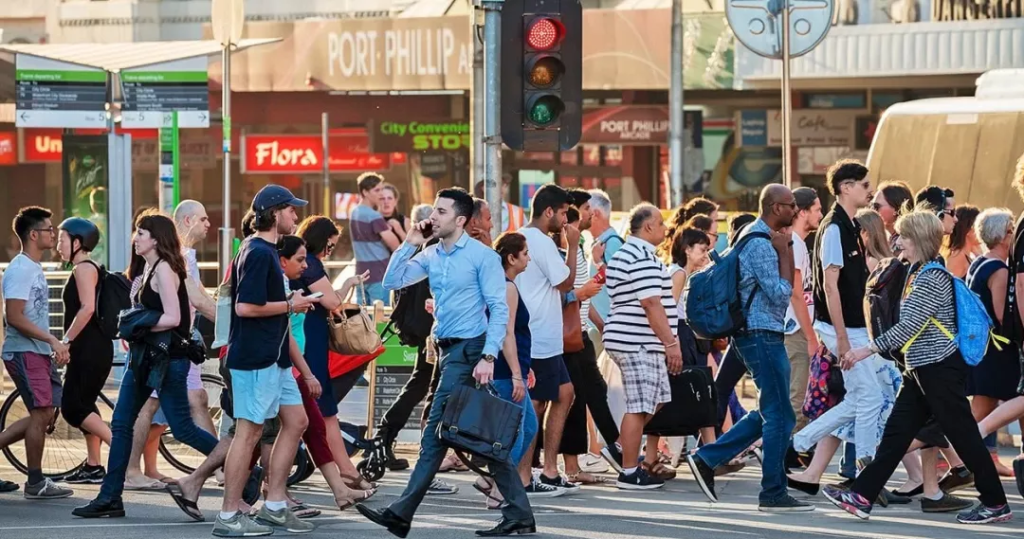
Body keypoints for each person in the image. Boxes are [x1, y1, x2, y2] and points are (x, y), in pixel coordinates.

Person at [357, 187, 535, 538]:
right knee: (471, 433)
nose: (432, 217)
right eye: (434, 211)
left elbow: (499, 310)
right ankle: (519, 513)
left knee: (437, 432)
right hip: (445, 352)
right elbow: (393, 280)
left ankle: (401, 512)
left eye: (441, 211)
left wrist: (488, 355)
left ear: (460, 220)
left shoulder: (483, 258)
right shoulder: (432, 254)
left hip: (470, 352)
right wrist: (408, 241)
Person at [824, 211, 1011, 525]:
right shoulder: (918, 271)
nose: (898, 241)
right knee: (897, 434)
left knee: (963, 435)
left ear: (921, 239)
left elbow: (910, 326)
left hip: (939, 367)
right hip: (923, 367)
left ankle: (995, 502)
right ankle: (862, 495)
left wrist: (864, 351)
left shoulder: (931, 277)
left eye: (904, 236)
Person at [73, 211, 221, 519]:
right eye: (136, 232)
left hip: (167, 360)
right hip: (147, 357)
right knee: (122, 423)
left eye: (141, 233)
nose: (135, 237)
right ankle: (110, 496)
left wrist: (138, 323)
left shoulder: (166, 269)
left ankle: (243, 471)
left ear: (156, 239)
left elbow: (174, 318)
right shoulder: (149, 267)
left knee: (183, 429)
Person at [209, 185, 322, 536]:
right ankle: (228, 516)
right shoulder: (258, 252)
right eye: (291, 210)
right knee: (249, 432)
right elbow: (245, 307)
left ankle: (275, 505)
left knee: (297, 420)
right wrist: (292, 305)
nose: (296, 216)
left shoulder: (264, 250)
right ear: (274, 213)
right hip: (256, 358)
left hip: (272, 358)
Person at [686, 184, 805, 511]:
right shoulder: (762, 244)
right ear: (774, 207)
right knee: (780, 414)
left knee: (775, 411)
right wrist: (786, 251)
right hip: (761, 334)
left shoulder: (752, 235)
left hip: (754, 333)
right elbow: (781, 294)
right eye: (790, 204)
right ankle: (772, 492)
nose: (795, 210)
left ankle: (708, 458)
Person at [791, 160, 892, 475]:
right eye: (864, 185)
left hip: (852, 327)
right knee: (871, 398)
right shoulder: (834, 226)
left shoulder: (848, 224)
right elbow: (830, 287)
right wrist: (844, 339)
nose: (870, 190)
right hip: (843, 328)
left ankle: (798, 443)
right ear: (846, 187)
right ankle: (865, 470)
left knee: (858, 399)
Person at [123, 200, 218, 490]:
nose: (208, 225)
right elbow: (197, 301)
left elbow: (199, 297)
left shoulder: (184, 256)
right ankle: (130, 471)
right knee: (150, 406)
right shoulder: (179, 258)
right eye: (203, 219)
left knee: (196, 400)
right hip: (165, 346)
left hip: (180, 344)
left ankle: (221, 466)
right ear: (187, 221)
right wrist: (233, 325)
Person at [278, 234, 377, 512]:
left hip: (298, 356)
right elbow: (332, 303)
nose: (304, 266)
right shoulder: (303, 269)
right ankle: (268, 491)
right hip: (293, 358)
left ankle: (339, 487)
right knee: (268, 431)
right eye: (329, 243)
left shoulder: (292, 278)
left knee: (309, 424)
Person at [602, 203, 680, 491]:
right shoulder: (640, 256)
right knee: (639, 406)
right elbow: (651, 303)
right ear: (647, 227)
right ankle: (629, 471)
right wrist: (671, 343)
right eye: (660, 223)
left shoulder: (632, 254)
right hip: (637, 342)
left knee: (657, 398)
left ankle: (623, 448)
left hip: (640, 340)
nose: (665, 228)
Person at [0, 206, 73, 499]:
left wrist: (50, 345)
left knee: (44, 414)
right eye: (49, 229)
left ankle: (36, 480)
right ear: (33, 234)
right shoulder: (19, 269)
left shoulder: (33, 267)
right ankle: (35, 482)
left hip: (38, 351)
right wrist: (52, 341)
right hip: (24, 351)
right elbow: (14, 317)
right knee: (41, 412)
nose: (54, 234)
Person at [515, 184, 580, 494]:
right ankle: (525, 477)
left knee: (565, 394)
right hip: (538, 336)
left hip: (544, 337)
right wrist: (573, 246)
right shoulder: (539, 240)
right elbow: (566, 282)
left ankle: (550, 471)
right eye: (564, 212)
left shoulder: (529, 238)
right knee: (536, 404)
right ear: (549, 211)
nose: (567, 219)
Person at [474, 231, 541, 509]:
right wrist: (517, 373)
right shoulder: (507, 287)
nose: (528, 259)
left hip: (509, 366)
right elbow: (507, 333)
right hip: (504, 369)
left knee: (525, 426)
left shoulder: (501, 284)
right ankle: (500, 487)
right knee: (518, 430)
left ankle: (492, 481)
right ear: (511, 257)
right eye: (524, 254)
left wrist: (526, 367)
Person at [57, 217, 114, 485]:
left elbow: (87, 308)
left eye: (62, 239)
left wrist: (66, 340)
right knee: (86, 404)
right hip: (92, 347)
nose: (58, 245)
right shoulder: (88, 267)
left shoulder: (83, 269)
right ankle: (93, 466)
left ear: (77, 242)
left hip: (89, 348)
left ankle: (123, 453)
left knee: (72, 407)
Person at [966, 209, 1020, 477]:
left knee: (979, 411)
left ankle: (954, 454)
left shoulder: (980, 262)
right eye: (1011, 230)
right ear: (1002, 235)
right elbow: (1002, 315)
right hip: (998, 351)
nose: (1014, 235)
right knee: (1017, 399)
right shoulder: (998, 270)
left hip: (984, 350)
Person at [784, 187, 823, 433]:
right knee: (797, 400)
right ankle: (786, 458)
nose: (821, 214)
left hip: (798, 328)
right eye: (817, 209)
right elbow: (796, 293)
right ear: (802, 212)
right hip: (796, 330)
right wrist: (811, 338)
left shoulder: (797, 243)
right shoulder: (795, 244)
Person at [351, 172, 400, 305]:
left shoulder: (354, 213)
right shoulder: (373, 216)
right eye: (377, 190)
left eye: (382, 189)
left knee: (364, 318)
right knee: (380, 319)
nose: (380, 194)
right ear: (365, 192)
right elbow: (395, 245)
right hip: (379, 273)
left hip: (361, 274)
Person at [872, 181, 914, 255]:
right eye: (871, 206)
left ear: (896, 209)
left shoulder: (906, 243)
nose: (872, 210)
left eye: (876, 206)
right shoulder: (883, 237)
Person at [943, 205, 982, 279]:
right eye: (979, 227)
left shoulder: (967, 255)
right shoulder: (958, 257)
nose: (982, 232)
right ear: (968, 230)